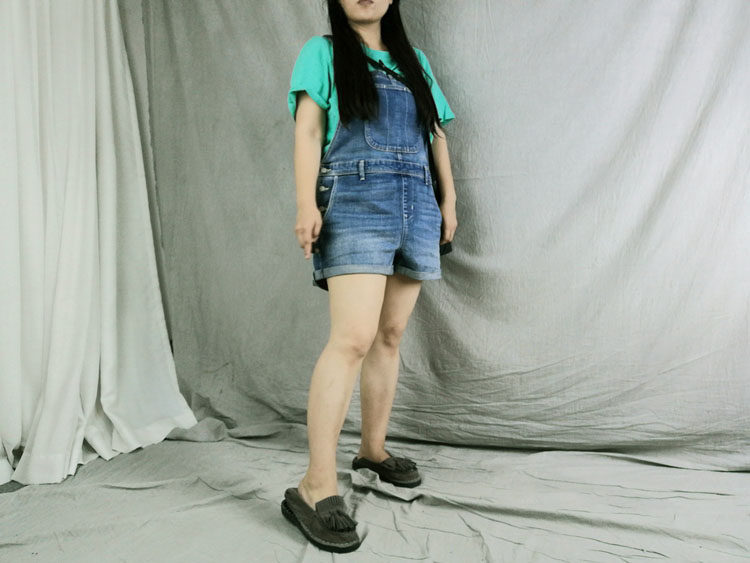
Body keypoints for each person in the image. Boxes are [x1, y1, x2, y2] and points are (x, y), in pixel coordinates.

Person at [281, 0, 457, 552]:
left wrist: (449, 201)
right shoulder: (323, 53)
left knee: (389, 335)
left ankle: (372, 451)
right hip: (356, 199)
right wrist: (306, 203)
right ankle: (315, 484)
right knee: (352, 338)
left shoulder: (415, 61)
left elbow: (435, 134)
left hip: (417, 203)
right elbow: (309, 131)